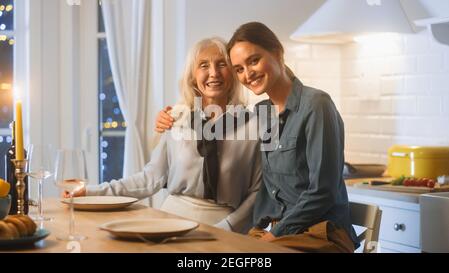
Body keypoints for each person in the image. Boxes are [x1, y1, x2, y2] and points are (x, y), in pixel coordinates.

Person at [155, 22, 358, 252]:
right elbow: (214, 130)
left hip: (320, 232)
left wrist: (275, 235)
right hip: (271, 229)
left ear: (277, 53)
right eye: (239, 69)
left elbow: (323, 191)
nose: (248, 74)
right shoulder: (264, 113)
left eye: (253, 60)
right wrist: (171, 116)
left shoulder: (316, 105)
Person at [71, 37, 262, 234]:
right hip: (170, 221)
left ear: (233, 73)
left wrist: (226, 228)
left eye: (222, 64)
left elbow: (258, 191)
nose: (213, 73)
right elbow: (149, 179)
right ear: (192, 76)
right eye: (203, 65)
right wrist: (91, 192)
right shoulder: (176, 120)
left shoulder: (255, 126)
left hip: (224, 227)